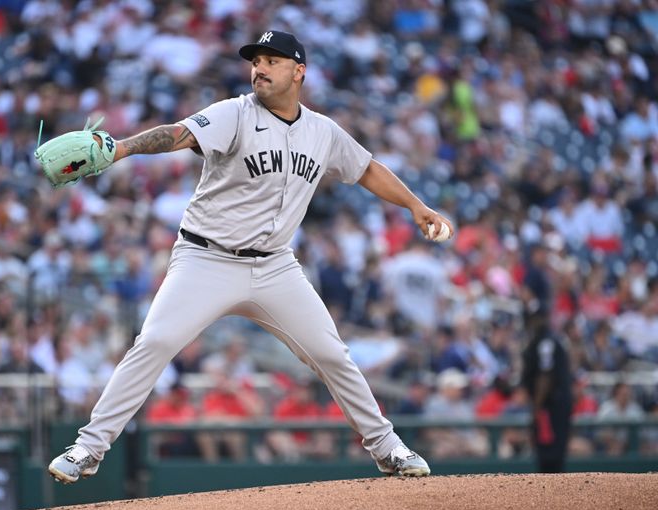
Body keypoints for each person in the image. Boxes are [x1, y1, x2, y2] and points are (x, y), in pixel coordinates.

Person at [48, 30, 453, 483]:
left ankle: (387, 447)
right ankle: (88, 448)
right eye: (256, 60)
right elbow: (178, 134)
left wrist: (415, 204)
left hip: (275, 265)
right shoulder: (234, 114)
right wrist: (120, 148)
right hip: (207, 259)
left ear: (299, 71)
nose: (259, 68)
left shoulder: (322, 131)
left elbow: (367, 169)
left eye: (272, 60)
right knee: (155, 343)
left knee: (332, 354)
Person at [520, 301, 572, 473]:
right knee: (550, 454)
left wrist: (537, 406)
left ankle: (550, 495)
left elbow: (545, 375)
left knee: (549, 454)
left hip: (550, 406)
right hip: (554, 404)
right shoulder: (546, 340)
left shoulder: (545, 342)